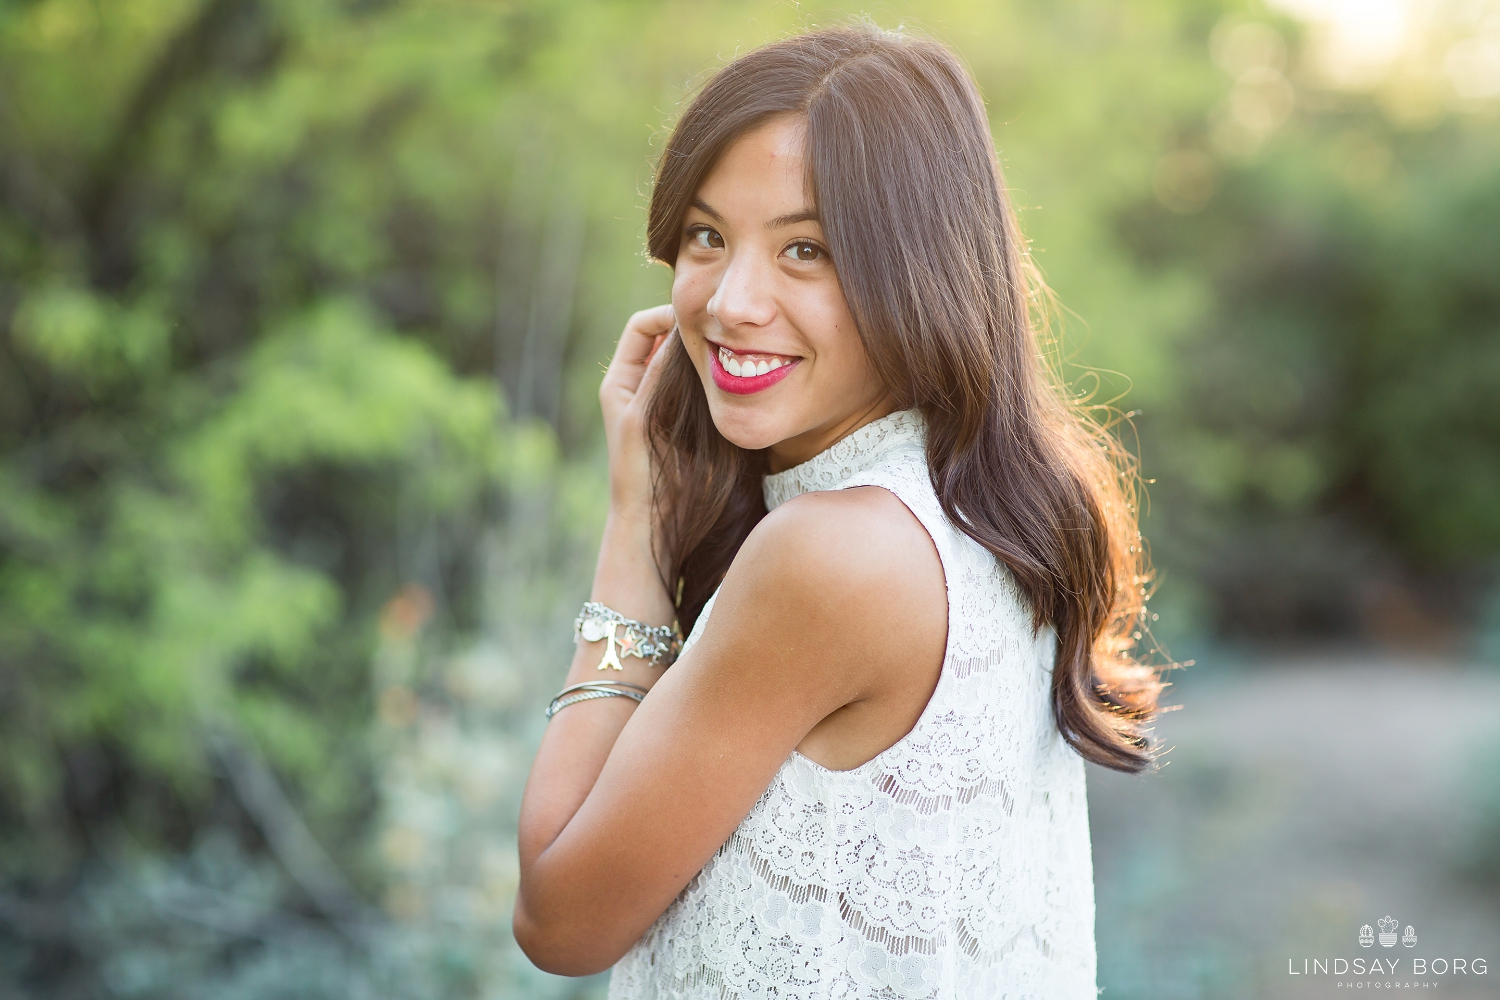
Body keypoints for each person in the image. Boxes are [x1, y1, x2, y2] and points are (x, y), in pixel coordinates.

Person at [514, 23, 1162, 999]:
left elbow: (559, 918)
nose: (732, 301)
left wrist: (633, 523)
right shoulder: (982, 506)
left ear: (920, 272)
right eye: (706, 235)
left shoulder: (835, 554)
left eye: (805, 248)